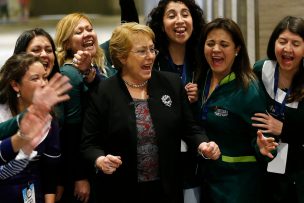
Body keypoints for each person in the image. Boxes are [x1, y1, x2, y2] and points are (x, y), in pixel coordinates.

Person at [81, 22, 220, 203]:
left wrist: (203, 145)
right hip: (120, 189)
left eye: (152, 50)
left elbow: (190, 128)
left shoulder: (171, 83)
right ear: (122, 57)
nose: (150, 57)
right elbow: (89, 144)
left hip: (166, 189)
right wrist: (100, 159)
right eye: (141, 51)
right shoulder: (104, 92)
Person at [197, 18, 278, 203]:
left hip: (238, 185)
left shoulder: (248, 89)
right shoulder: (202, 78)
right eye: (210, 43)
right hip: (207, 179)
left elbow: (260, 136)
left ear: (237, 49)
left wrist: (262, 147)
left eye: (224, 44)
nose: (216, 49)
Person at [54, 12, 116, 203]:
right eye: (79, 32)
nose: (87, 34)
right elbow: (72, 134)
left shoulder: (99, 66)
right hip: (84, 170)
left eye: (90, 29)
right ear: (66, 43)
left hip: (101, 163)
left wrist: (90, 73)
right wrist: (79, 176)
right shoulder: (69, 74)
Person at [147, 1, 205, 201]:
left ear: (193, 21)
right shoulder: (151, 62)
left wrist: (199, 99)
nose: (180, 21)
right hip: (160, 160)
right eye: (171, 15)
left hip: (197, 159)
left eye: (185, 14)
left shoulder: (203, 60)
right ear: (161, 25)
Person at [0, 53, 71, 203]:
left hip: (32, 192)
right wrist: (22, 136)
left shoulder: (49, 118)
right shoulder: (2, 111)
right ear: (15, 85)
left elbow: (50, 171)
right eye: (35, 78)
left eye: (45, 77)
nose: (44, 84)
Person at [252, 16, 304, 203]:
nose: (287, 49)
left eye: (296, 43)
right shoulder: (260, 70)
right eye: (282, 42)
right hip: (263, 164)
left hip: (298, 171)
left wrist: (284, 128)